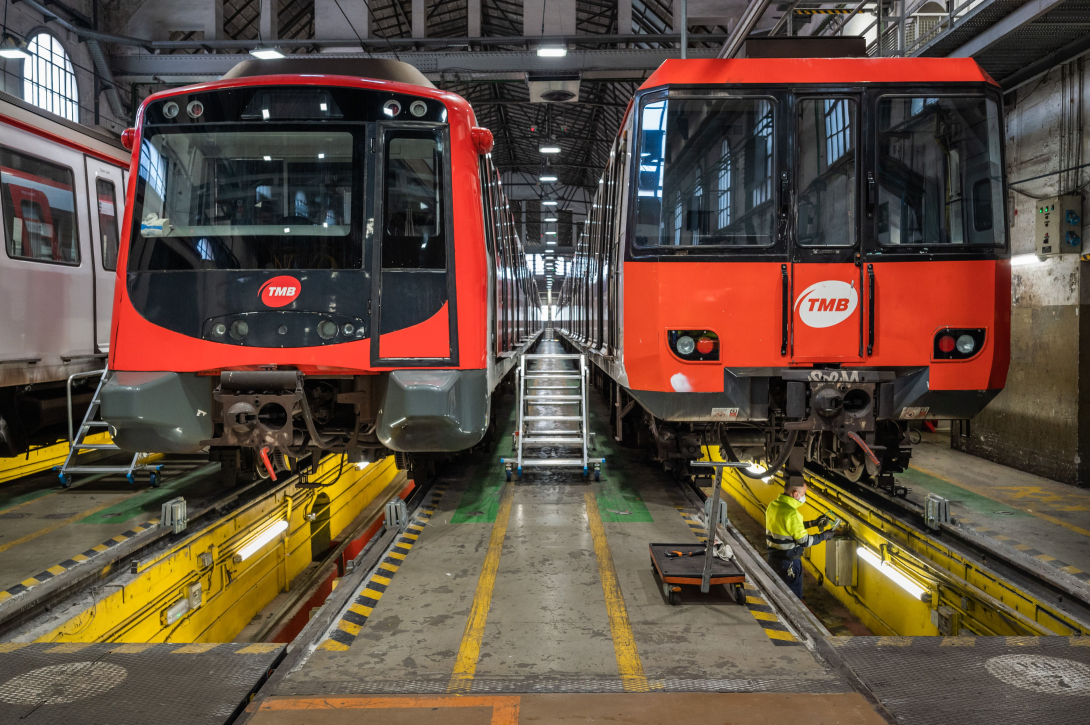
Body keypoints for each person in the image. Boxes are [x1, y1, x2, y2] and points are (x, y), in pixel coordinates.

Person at [765, 479, 835, 598]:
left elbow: (789, 528)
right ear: (795, 494)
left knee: (775, 593)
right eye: (803, 494)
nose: (804, 497)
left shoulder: (773, 505)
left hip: (773, 559)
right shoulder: (792, 514)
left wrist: (813, 523)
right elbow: (805, 541)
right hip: (789, 564)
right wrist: (824, 536)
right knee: (792, 597)